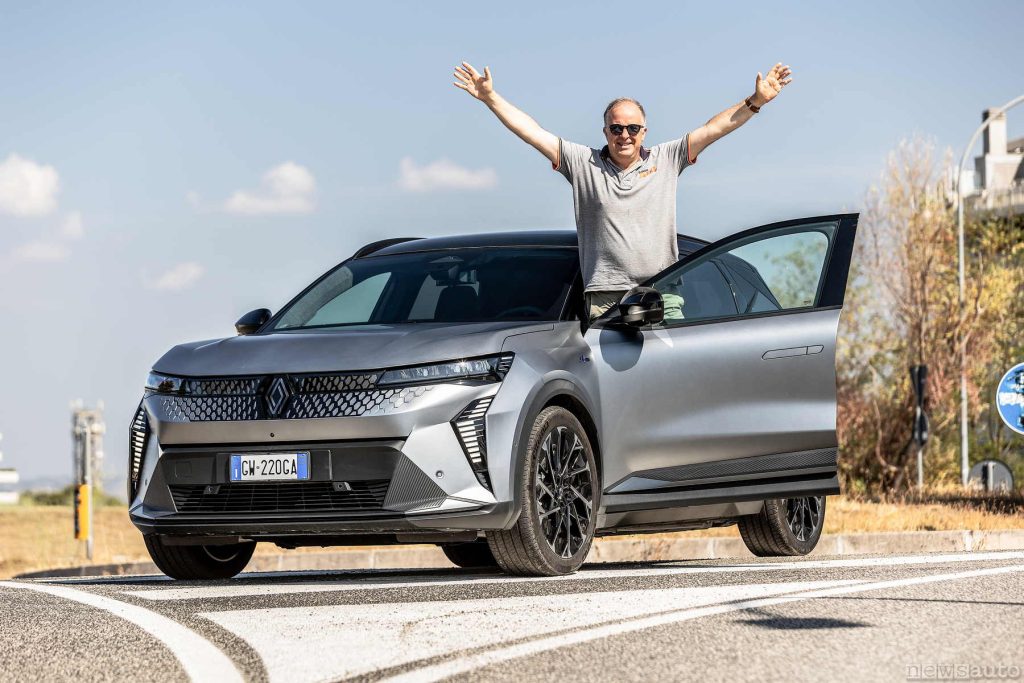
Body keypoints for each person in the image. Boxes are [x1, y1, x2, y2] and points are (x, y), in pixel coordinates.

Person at [453, 61, 793, 321]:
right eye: (616, 128)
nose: (624, 135)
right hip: (605, 299)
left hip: (663, 293)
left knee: (669, 383)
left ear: (644, 131)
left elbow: (713, 128)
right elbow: (532, 132)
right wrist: (490, 98)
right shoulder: (582, 163)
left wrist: (755, 101)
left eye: (632, 128)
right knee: (616, 393)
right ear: (605, 131)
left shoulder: (667, 158)